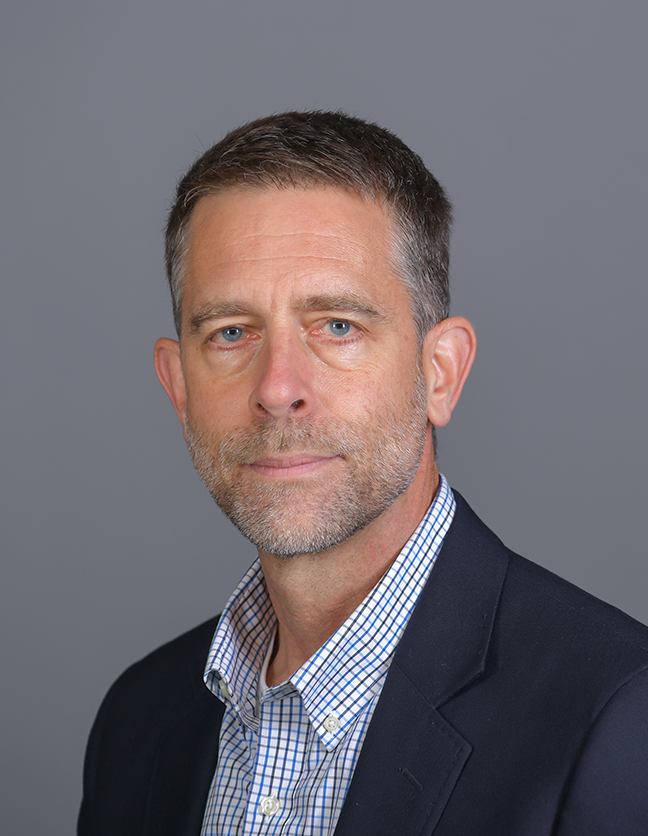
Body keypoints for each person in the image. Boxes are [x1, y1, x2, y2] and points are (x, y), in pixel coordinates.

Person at [78, 111, 648, 836]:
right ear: (179, 385)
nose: (277, 387)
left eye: (338, 326)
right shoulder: (136, 721)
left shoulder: (619, 717)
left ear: (440, 374)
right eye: (231, 333)